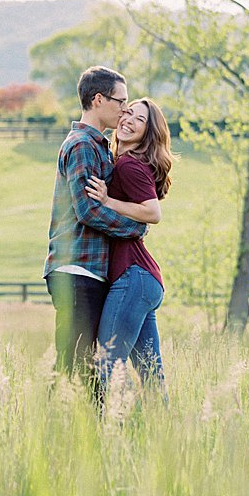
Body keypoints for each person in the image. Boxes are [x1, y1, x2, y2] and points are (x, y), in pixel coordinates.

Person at [44, 66, 148, 404]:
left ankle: (94, 435)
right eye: (120, 101)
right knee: (72, 362)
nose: (124, 109)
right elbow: (87, 210)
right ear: (98, 99)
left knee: (90, 364)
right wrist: (134, 228)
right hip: (76, 269)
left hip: (91, 270)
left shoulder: (101, 146)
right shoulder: (83, 146)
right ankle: (55, 431)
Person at [86, 97, 175, 402]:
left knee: (106, 361)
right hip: (144, 281)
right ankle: (164, 435)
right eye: (128, 113)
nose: (128, 120)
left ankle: (111, 430)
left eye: (139, 120)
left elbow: (152, 212)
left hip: (132, 278)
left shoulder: (128, 165)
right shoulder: (121, 161)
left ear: (148, 132)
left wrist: (107, 201)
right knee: (151, 374)